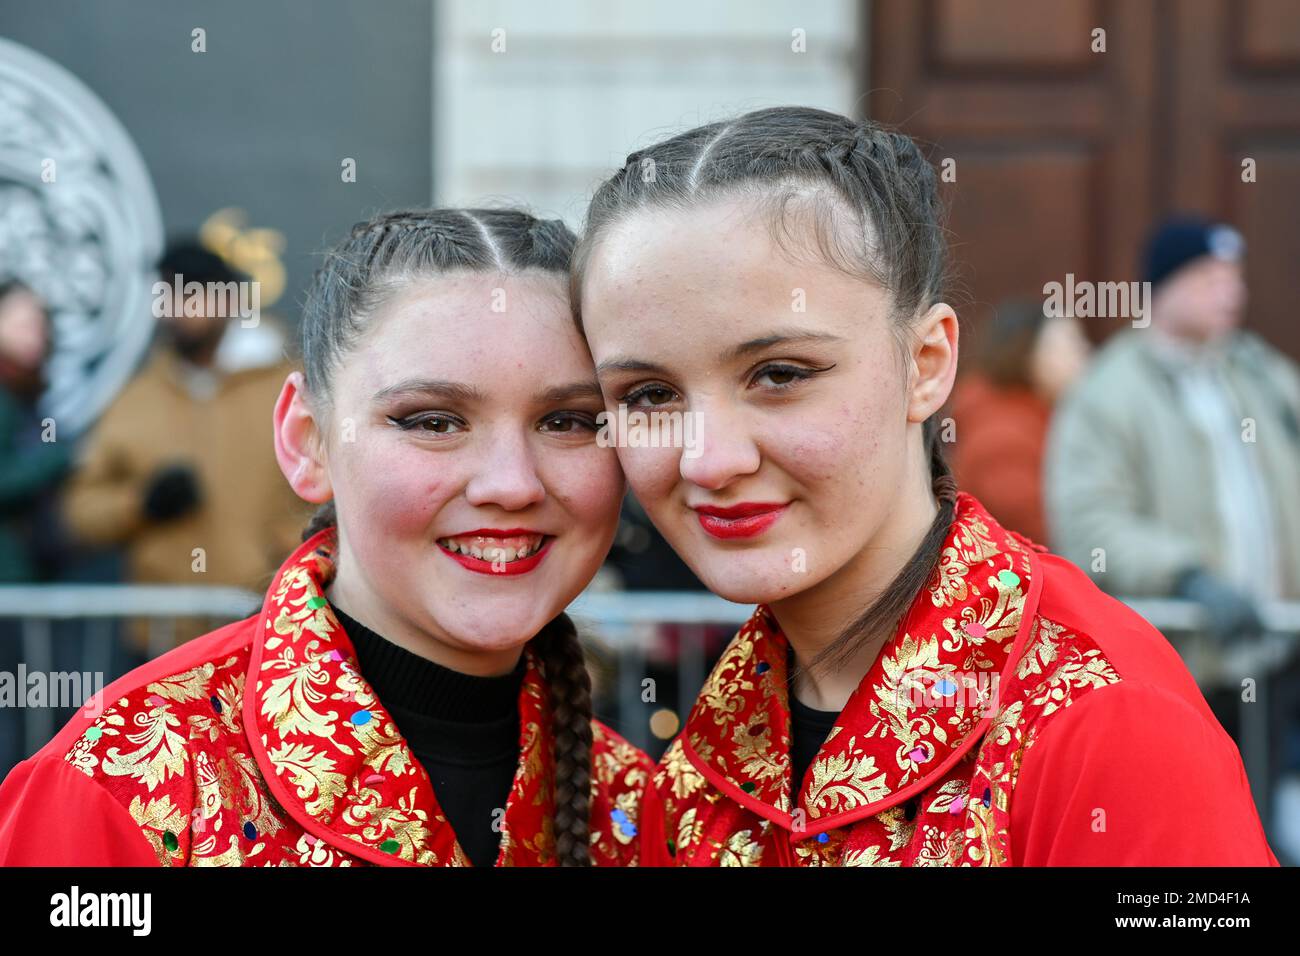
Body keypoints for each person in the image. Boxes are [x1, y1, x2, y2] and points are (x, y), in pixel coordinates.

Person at [570, 106, 1279, 865]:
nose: (708, 461)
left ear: (928, 364)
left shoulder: (1102, 718)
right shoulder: (701, 754)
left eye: (779, 376)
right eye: (649, 395)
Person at [0, 208, 654, 866]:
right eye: (432, 421)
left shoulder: (648, 811)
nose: (512, 484)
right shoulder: (122, 778)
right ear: (306, 441)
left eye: (569, 421)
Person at [1045, 214, 1300, 862]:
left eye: (1235, 277)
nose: (1232, 293)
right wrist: (1188, 577)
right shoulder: (1109, 392)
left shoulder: (1257, 374)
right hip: (1179, 668)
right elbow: (1091, 522)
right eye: (1212, 277)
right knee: (1186, 844)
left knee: (1265, 836)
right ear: (1164, 287)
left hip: (1270, 656)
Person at [59, 241, 313, 660]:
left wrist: (281, 548)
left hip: (273, 626)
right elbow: (80, 511)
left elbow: (337, 486)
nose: (179, 310)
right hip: (163, 642)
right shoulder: (136, 398)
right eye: (168, 296)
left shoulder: (292, 389)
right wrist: (140, 505)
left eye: (193, 295)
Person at [947, 300, 1090, 546]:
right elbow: (1045, 532)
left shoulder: (1043, 417)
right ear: (1028, 353)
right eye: (1071, 345)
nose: (1086, 354)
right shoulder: (1002, 435)